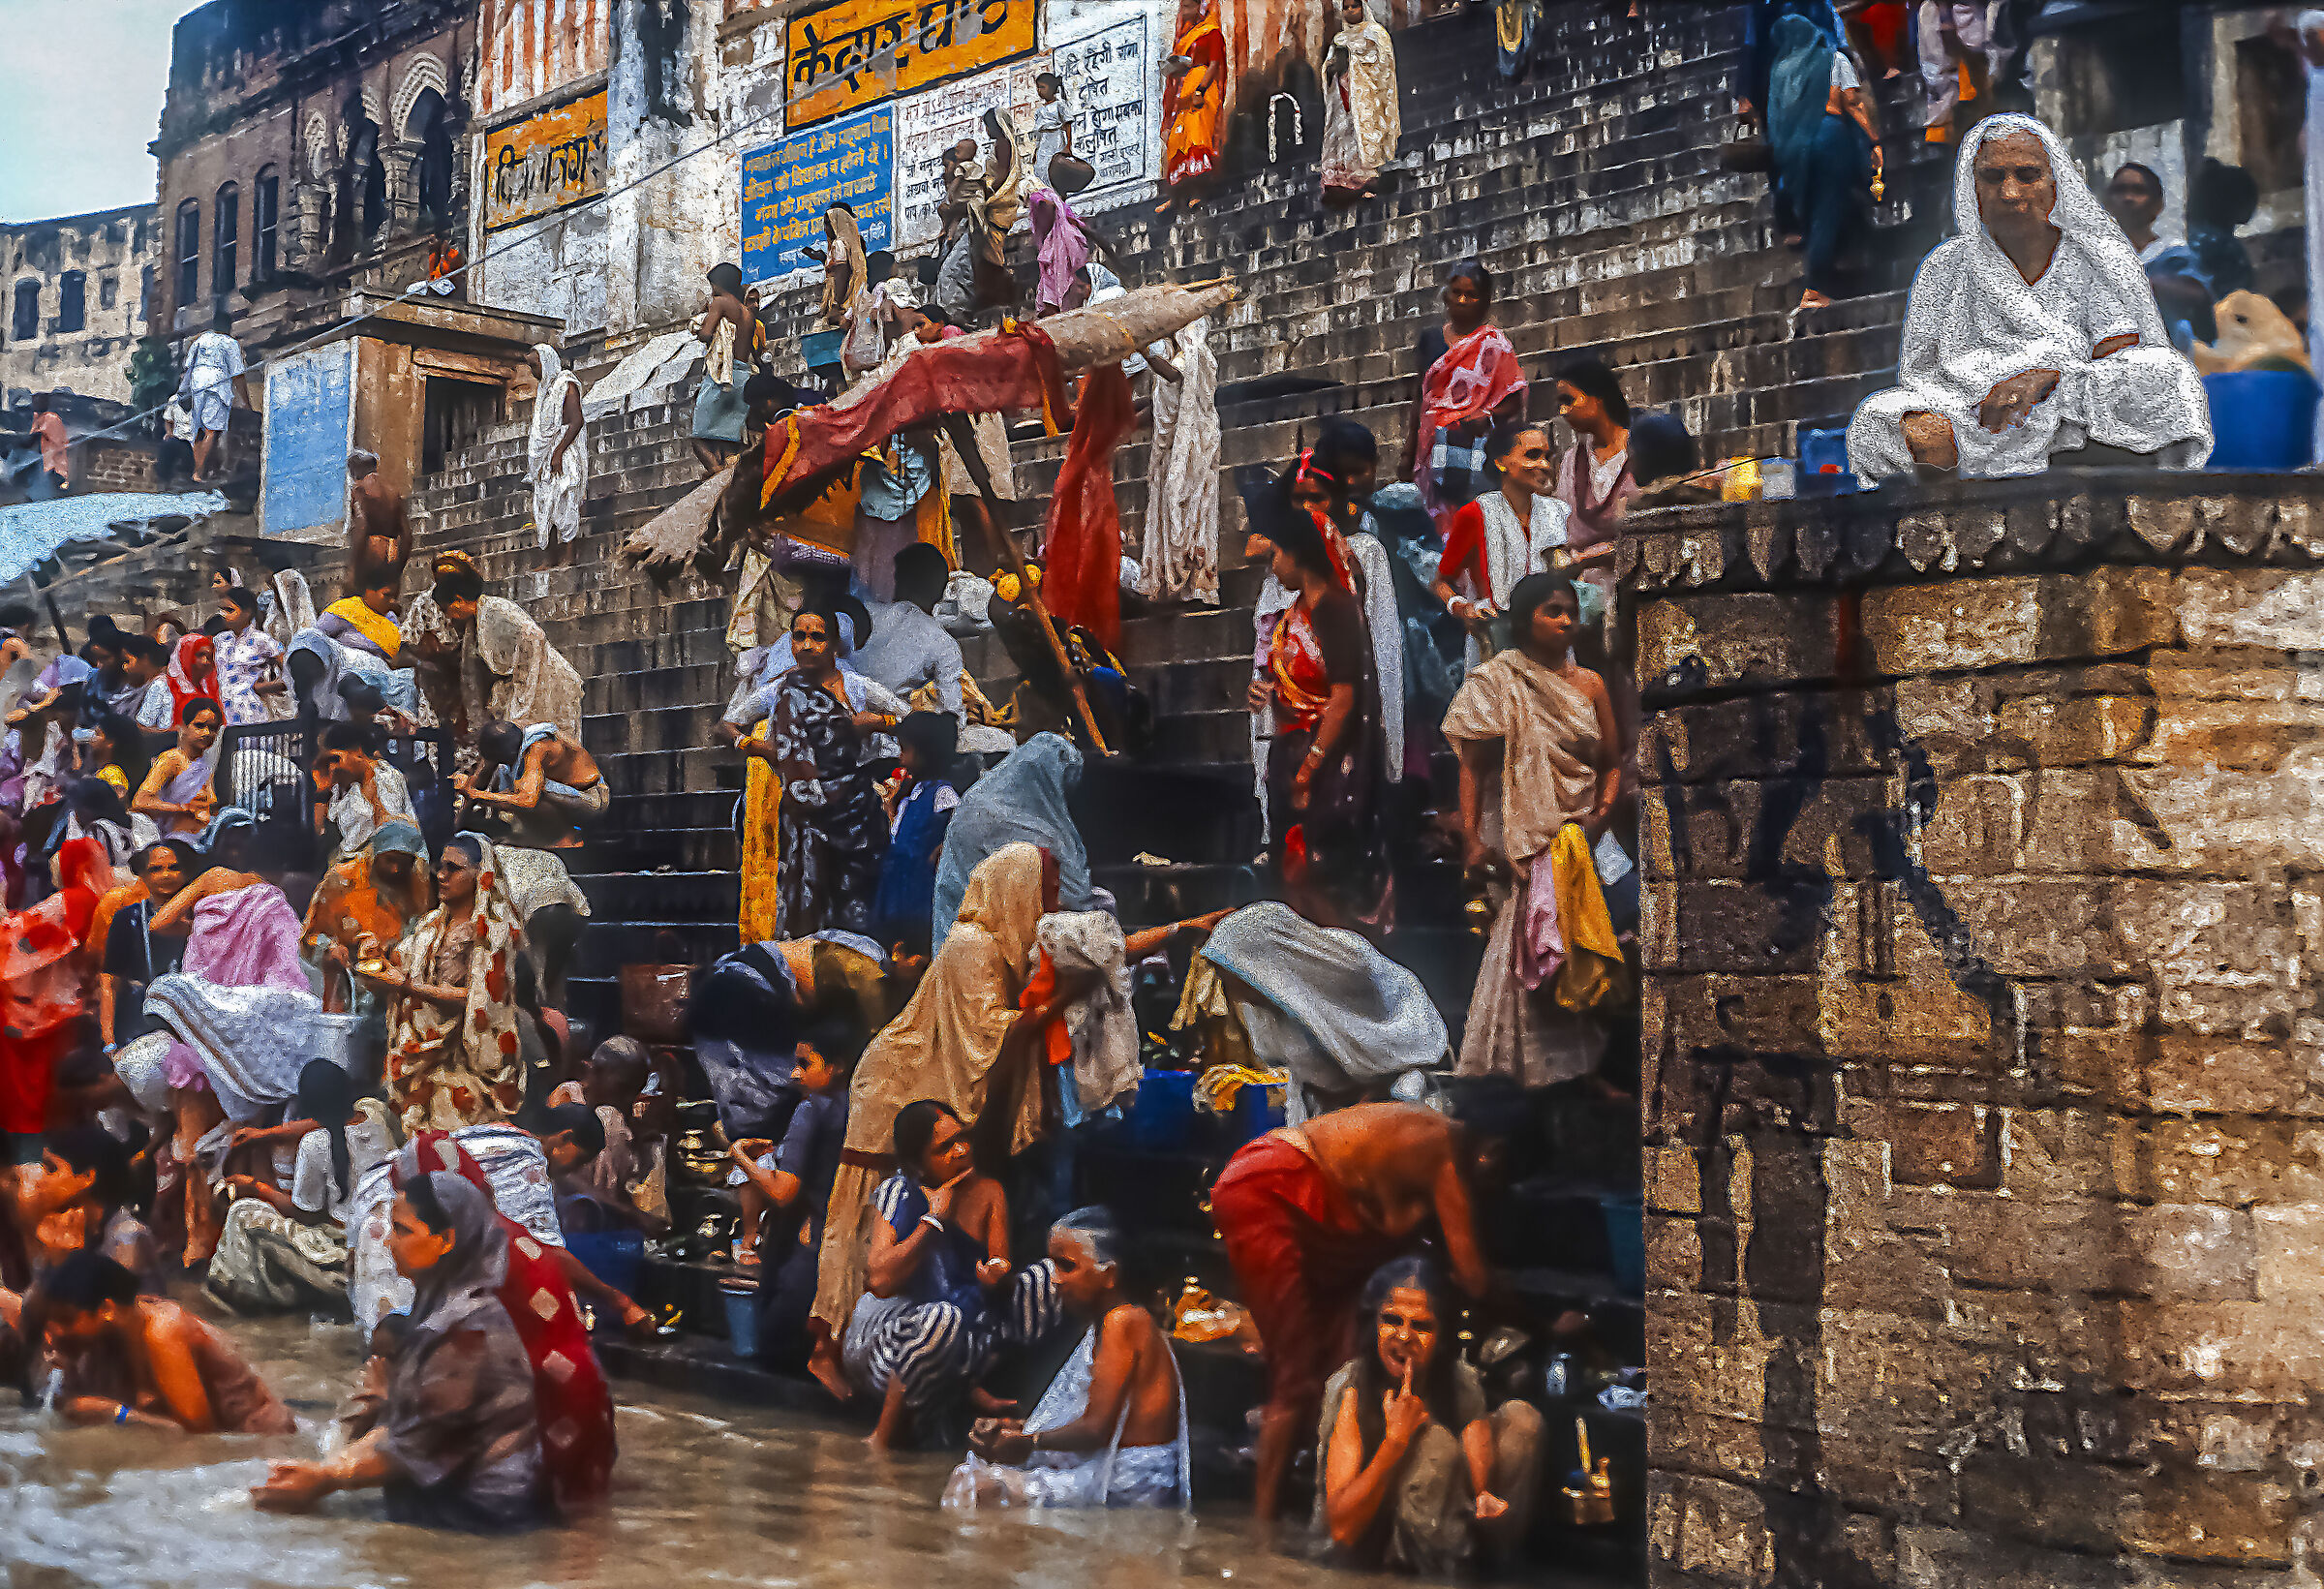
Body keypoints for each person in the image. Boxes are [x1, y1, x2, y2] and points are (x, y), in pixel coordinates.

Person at [1845, 115, 2212, 482]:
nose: (2010, 193)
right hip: (1975, 419)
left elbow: (2119, 358)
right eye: (1992, 178)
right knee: (1879, 418)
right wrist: (1977, 396)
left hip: (2067, 407)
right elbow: (1921, 374)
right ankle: (1957, 506)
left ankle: (2083, 468)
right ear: (1972, 187)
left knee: (2166, 372)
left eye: (2026, 175)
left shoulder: (2099, 257)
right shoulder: (1944, 266)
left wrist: (2047, 378)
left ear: (2056, 184)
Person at [1210, 1100, 1498, 1530]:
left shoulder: (1418, 1151)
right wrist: (1540, 1325)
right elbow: (1475, 1279)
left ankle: (1322, 1492)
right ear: (1490, 1150)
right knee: (1296, 1378)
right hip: (1272, 1184)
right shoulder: (1444, 1150)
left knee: (1336, 1359)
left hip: (1315, 1205)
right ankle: (1263, 1530)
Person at [251, 1171, 547, 1528]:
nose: (389, 1242)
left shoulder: (468, 1330)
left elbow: (412, 1448)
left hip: (480, 1516)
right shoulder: (437, 1310)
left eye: (403, 1230)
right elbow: (404, 1429)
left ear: (446, 1240)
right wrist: (328, 1468)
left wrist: (328, 1478)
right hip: (446, 1497)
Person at [1443, 573, 1624, 1086]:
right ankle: (1515, 1080)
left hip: (1585, 844)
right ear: (1525, 621)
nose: (1567, 621)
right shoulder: (1497, 680)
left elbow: (1612, 761)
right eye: (1553, 611)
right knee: (1523, 955)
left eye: (1571, 611)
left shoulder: (1591, 684)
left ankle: (1582, 1076)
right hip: (1521, 840)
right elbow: (1473, 767)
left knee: (1591, 951)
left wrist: (1603, 813)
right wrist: (1473, 840)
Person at [843, 1098, 1067, 1451]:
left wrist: (996, 1275)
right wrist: (932, 1220)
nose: (961, 1150)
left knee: (1047, 1279)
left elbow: (1000, 1262)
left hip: (967, 1331)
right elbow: (880, 1280)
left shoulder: (989, 1191)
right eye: (944, 1148)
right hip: (890, 1344)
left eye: (962, 1139)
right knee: (941, 1318)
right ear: (918, 1162)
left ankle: (971, 1386)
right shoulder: (897, 1192)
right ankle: (884, 1436)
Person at [945, 1206, 1191, 1511]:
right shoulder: (1109, 1322)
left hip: (1129, 1484)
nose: (1055, 1280)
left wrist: (1029, 1441)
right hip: (1112, 1472)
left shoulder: (1123, 1321)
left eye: (1066, 1266)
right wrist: (1014, 1429)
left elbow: (1095, 1429)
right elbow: (1090, 1422)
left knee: (974, 1487)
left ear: (1109, 1274)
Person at [1316, 1257, 1543, 1573]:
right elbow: (1342, 1529)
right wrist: (1395, 1441)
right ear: (1373, 1324)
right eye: (1392, 1321)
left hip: (1446, 1516)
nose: (1404, 1337)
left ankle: (1492, 1565)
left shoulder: (1457, 1377)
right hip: (1365, 1538)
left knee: (1521, 1420)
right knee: (1435, 1444)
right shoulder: (1350, 1389)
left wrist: (1483, 1495)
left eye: (1421, 1326)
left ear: (1442, 1336)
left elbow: (1476, 1442)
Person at [732, 606, 904, 939]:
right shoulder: (784, 689)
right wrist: (756, 747)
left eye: (817, 637)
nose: (808, 645)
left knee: (853, 904)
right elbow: (732, 721)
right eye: (800, 637)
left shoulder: (856, 686)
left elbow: (907, 717)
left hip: (853, 808)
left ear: (836, 646)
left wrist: (879, 722)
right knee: (805, 898)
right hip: (801, 808)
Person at [1249, 504, 1389, 907]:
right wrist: (1264, 693)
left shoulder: (1336, 609)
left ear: (1298, 554)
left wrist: (1309, 768)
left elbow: (1343, 696)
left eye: (1276, 554)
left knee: (1325, 878)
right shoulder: (1295, 613)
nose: (1273, 566)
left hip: (1328, 758)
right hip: (1294, 750)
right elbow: (1293, 678)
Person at [363, 834, 528, 1134]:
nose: (441, 875)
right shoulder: (429, 925)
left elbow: (480, 1000)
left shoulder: (492, 933)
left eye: (453, 868)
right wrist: (377, 961)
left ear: (481, 876)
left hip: (467, 1059)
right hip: (423, 1050)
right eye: (441, 867)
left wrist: (410, 987)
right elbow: (401, 972)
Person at [206, 1058, 395, 1313]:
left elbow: (306, 1214)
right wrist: (264, 1135)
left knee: (243, 1213)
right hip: (380, 1235)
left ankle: (241, 1294)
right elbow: (332, 1120)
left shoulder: (316, 1144)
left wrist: (254, 1187)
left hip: (338, 1245)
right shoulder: (376, 1115)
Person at [38, 1249, 294, 1432]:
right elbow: (76, 1403)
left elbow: (198, 1438)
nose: (55, 1332)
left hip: (264, 1443)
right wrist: (69, 1371)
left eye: (66, 1320)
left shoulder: (162, 1331)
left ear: (106, 1308)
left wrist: (114, 1413)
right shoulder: (110, 1335)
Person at [931, 732, 1091, 948]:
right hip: (994, 942)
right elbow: (1072, 897)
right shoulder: (1025, 826)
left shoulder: (979, 799)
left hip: (956, 936)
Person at [1766, 12, 1882, 309]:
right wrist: (1873, 140)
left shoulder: (1780, 70)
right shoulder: (1834, 59)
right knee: (1825, 213)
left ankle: (1839, 267)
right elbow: (1854, 103)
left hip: (1793, 152)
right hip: (1830, 141)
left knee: (1816, 212)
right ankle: (1815, 288)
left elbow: (1774, 121)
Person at [1434, 421, 1572, 671]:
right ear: (1501, 462)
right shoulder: (1476, 514)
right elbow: (1441, 581)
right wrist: (1463, 608)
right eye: (1532, 455)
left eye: (1546, 456)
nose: (1544, 465)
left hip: (1553, 639)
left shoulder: (1558, 512)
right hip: (1499, 638)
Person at [1408, 260, 1527, 536]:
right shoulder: (1431, 340)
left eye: (1471, 295)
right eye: (1456, 293)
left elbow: (1514, 398)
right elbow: (1420, 397)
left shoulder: (1496, 344)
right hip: (1433, 447)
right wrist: (1408, 453)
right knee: (1437, 522)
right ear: (1446, 295)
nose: (1462, 301)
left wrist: (1486, 415)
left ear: (1485, 302)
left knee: (1477, 521)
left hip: (1477, 449)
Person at [426, 559, 585, 750]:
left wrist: (521, 702)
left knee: (554, 749)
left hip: (547, 684)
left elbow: (533, 637)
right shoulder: (473, 625)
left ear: (458, 601)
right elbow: (470, 675)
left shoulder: (496, 609)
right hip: (520, 688)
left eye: (447, 610)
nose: (448, 617)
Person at [302, 818, 431, 1015]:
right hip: (343, 982)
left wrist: (394, 950)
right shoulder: (342, 880)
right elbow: (309, 937)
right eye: (390, 860)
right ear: (375, 854)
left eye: (404, 863)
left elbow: (423, 933)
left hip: (395, 986)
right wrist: (330, 948)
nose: (396, 869)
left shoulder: (419, 886)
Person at [1140, 307, 1220, 605]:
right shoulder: (1190, 357)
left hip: (1192, 450)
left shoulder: (1193, 357)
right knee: (1181, 512)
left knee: (1192, 513)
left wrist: (1144, 352)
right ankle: (1183, 582)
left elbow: (1174, 374)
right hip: (1178, 449)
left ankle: (1196, 581)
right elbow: (1163, 402)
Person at [545, 1039, 667, 1236]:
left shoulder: (617, 1113)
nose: (629, 1098)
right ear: (596, 1071)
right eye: (624, 1088)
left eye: (635, 1091)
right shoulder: (568, 1100)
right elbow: (561, 1179)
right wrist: (631, 1215)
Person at [874, 710, 960, 949]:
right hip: (898, 892)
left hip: (922, 894)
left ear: (925, 753)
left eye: (905, 750)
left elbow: (956, 830)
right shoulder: (911, 797)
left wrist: (943, 848)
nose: (901, 759)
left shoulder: (942, 794)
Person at [98, 839, 195, 1048]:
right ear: (142, 875)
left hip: (195, 1026)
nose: (166, 875)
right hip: (140, 1028)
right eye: (156, 869)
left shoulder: (204, 914)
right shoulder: (128, 918)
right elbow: (110, 982)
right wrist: (109, 1041)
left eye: (174, 868)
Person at [855, 543, 966, 719]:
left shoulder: (861, 614)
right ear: (942, 591)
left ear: (896, 581)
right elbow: (952, 716)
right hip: (890, 729)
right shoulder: (945, 645)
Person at [460, 719, 605, 849]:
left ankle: (566, 837)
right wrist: (457, 825)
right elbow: (477, 782)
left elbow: (528, 800)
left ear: (510, 752)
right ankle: (538, 835)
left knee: (528, 791)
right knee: (508, 780)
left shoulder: (537, 748)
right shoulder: (503, 738)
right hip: (557, 795)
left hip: (591, 799)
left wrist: (480, 796)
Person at [1549, 358, 1636, 564]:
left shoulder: (1639, 451)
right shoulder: (1571, 461)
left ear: (1598, 397)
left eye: (1568, 400)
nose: (1563, 411)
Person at [1321, 0, 1400, 202]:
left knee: (1363, 138)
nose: (1349, 11)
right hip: (1341, 97)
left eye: (1353, 6)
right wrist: (1332, 67)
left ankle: (1368, 180)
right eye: (1346, 7)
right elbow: (1329, 66)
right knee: (1343, 137)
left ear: (1363, 7)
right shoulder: (1339, 38)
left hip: (1366, 97)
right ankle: (1343, 181)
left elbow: (1382, 66)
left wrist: (1352, 61)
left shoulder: (1376, 34)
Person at [692, 263, 760, 474]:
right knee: (730, 439)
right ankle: (727, 471)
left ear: (718, 284)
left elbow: (705, 334)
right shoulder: (748, 313)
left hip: (722, 376)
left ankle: (714, 470)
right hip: (743, 376)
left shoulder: (720, 302)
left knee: (699, 438)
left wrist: (700, 323)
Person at [316, 722, 415, 860]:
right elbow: (320, 832)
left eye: (336, 759)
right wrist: (322, 793)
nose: (333, 767)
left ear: (357, 753)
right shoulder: (342, 787)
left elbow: (390, 833)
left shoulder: (385, 776)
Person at [1161, 0, 1226, 209]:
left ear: (1200, 7)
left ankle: (1199, 192)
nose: (1185, 12)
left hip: (1202, 90)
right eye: (1183, 7)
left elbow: (1214, 64)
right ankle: (1177, 195)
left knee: (1197, 138)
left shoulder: (1211, 32)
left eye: (1189, 6)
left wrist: (1200, 90)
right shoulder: (1183, 40)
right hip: (1185, 89)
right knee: (1177, 140)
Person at [526, 345, 587, 555]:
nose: (533, 372)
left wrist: (559, 452)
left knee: (564, 498)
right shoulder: (544, 390)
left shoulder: (567, 385)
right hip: (545, 455)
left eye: (535, 366)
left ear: (547, 362)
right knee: (544, 503)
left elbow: (576, 421)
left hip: (565, 450)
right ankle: (549, 556)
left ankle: (570, 553)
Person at [131, 697, 222, 839]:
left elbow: (210, 802)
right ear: (184, 726)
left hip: (201, 836)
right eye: (199, 726)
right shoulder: (172, 759)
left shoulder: (204, 765)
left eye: (213, 728)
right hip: (174, 839)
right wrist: (181, 809)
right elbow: (141, 801)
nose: (206, 733)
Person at [181, 307, 250, 483]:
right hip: (216, 386)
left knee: (198, 430)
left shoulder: (201, 339)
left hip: (197, 384)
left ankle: (195, 471)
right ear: (229, 327)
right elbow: (238, 375)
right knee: (211, 431)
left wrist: (184, 390)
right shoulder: (230, 343)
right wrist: (245, 401)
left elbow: (188, 367)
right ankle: (198, 473)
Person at [211, 586, 284, 727]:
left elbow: (290, 671)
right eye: (222, 610)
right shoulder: (219, 640)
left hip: (250, 712)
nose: (224, 615)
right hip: (221, 712)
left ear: (247, 612)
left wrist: (261, 688)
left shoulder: (262, 640)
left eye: (230, 610)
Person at [348, 450, 413, 589]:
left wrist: (354, 568)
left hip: (371, 557)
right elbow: (407, 536)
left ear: (354, 472)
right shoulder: (393, 491)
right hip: (393, 553)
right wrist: (398, 568)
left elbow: (362, 525)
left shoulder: (359, 489)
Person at [318, 569, 404, 666]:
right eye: (387, 595)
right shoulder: (344, 609)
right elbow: (316, 640)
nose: (392, 601)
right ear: (369, 591)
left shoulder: (391, 619)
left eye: (395, 597)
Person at [1029, 71, 1074, 186]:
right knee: (1041, 167)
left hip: (1056, 138)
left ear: (1052, 88)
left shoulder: (1059, 105)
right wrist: (1036, 150)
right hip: (1044, 141)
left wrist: (1068, 146)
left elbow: (1068, 125)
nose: (1040, 91)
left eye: (1043, 87)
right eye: (1038, 88)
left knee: (1055, 167)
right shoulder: (1039, 110)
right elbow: (1038, 133)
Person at [28, 392, 69, 496]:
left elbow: (59, 446)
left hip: (51, 470)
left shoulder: (50, 419)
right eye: (34, 399)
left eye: (39, 400)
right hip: (39, 470)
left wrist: (61, 473)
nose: (35, 403)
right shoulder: (34, 417)